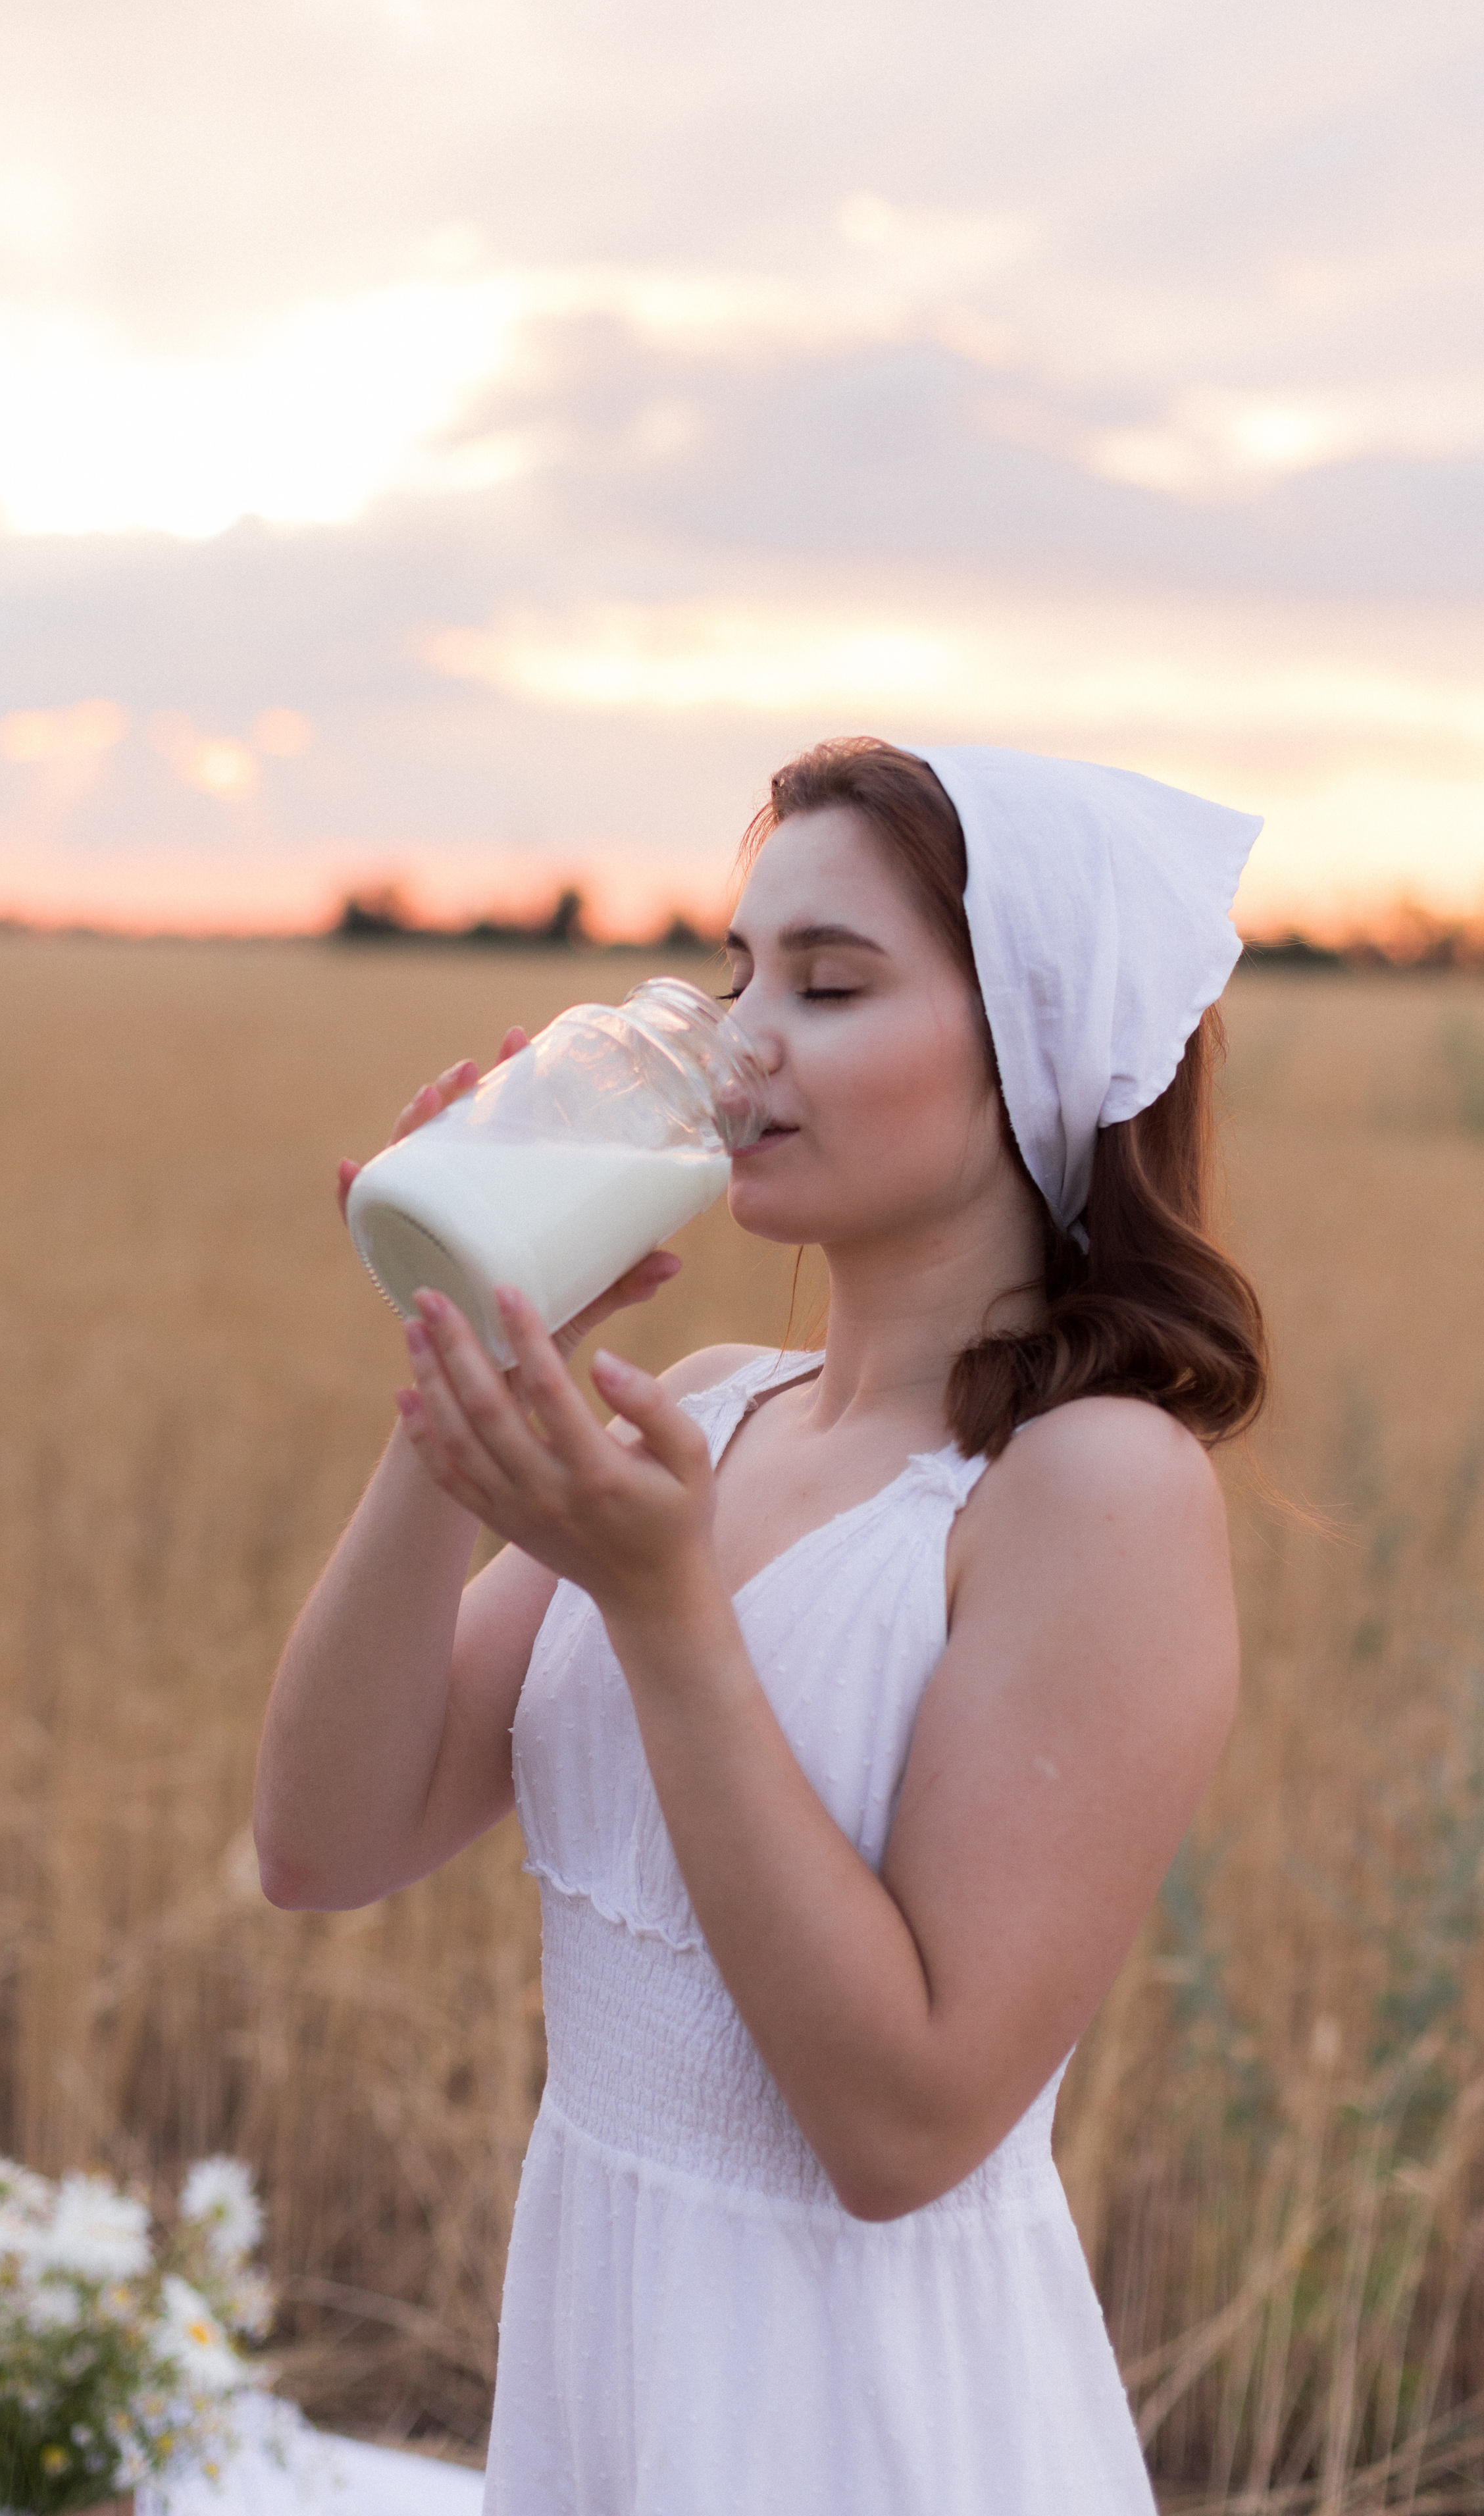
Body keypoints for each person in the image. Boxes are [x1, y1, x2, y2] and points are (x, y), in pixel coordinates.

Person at [253, 738, 1268, 2515]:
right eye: (739, 974)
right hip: (614, 2375)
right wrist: (473, 1365)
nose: (741, 1040)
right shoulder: (710, 1410)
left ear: (1029, 1038)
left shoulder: (1092, 1490)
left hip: (864, 2421)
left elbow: (905, 2128)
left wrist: (664, 1615)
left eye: (830, 982)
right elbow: (322, 1841)